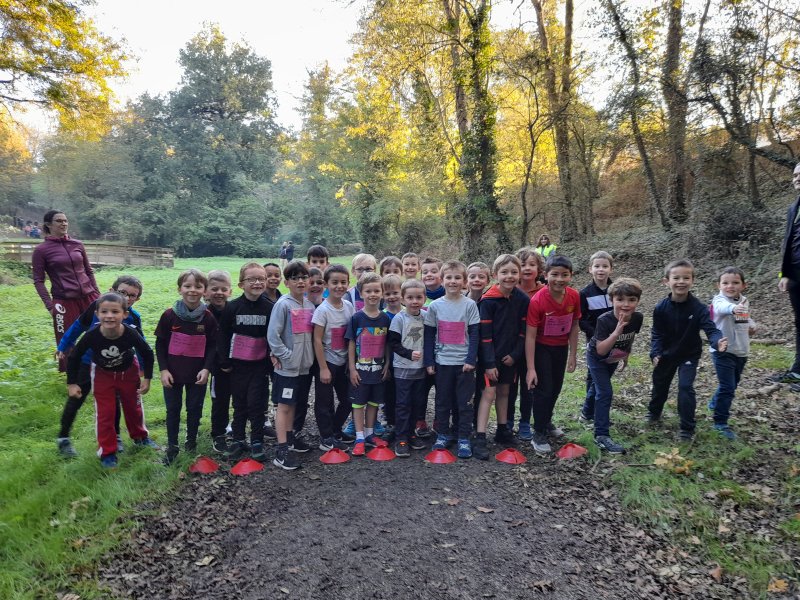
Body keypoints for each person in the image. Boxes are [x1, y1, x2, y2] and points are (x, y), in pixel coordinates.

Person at [66, 292, 158, 469]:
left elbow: (147, 352)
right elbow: (74, 356)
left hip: (128, 372)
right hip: (103, 375)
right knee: (105, 413)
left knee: (133, 407)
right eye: (104, 311)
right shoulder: (92, 335)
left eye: (115, 312)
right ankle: (107, 452)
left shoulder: (130, 332)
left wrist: (147, 378)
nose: (109, 316)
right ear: (97, 314)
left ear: (125, 314)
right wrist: (72, 383)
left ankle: (140, 437)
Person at [55, 276, 144, 458]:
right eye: (122, 292)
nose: (126, 298)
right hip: (87, 361)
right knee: (77, 397)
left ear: (137, 299)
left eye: (132, 295)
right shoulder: (97, 309)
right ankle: (63, 437)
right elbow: (77, 327)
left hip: (111, 366)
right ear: (111, 290)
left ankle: (115, 437)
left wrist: (142, 368)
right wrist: (63, 346)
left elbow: (141, 344)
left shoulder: (133, 317)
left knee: (113, 400)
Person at [646, 259, 727, 441]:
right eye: (676, 278)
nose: (681, 282)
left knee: (685, 387)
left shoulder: (699, 308)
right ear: (666, 281)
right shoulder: (660, 308)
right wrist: (655, 352)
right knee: (660, 384)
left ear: (692, 280)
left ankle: (687, 428)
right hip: (666, 355)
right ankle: (654, 412)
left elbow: (711, 330)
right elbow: (657, 333)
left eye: (686, 278)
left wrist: (717, 342)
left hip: (688, 354)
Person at [155, 269, 218, 465]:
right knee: (173, 409)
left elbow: (213, 346)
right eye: (187, 286)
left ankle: (191, 442)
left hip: (197, 374)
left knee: (194, 408)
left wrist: (206, 369)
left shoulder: (208, 318)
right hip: (172, 374)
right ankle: (172, 446)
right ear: (179, 289)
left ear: (205, 291)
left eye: (198, 286)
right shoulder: (169, 315)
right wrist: (163, 370)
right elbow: (160, 344)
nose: (192, 290)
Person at [525, 255, 581, 455]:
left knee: (556, 388)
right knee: (544, 390)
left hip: (561, 348)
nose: (559, 279)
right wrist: (531, 368)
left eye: (564, 275)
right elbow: (530, 335)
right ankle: (538, 432)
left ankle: (546, 421)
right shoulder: (538, 300)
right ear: (546, 275)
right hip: (541, 348)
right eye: (555, 274)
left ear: (571, 275)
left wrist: (573, 355)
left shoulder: (574, 296)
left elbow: (574, 325)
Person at [473, 255, 528, 461]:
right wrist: (489, 363)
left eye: (514, 272)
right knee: (489, 393)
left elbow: (523, 330)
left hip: (510, 358)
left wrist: (515, 355)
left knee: (505, 392)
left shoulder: (522, 299)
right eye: (504, 272)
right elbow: (484, 336)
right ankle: (480, 436)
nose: (509, 276)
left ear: (519, 274)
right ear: (496, 275)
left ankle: (502, 430)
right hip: (490, 359)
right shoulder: (488, 301)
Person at [217, 263, 273, 462]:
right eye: (252, 279)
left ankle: (257, 440)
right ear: (241, 284)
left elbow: (273, 337)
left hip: (259, 366)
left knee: (256, 404)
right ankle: (238, 439)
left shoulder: (269, 307)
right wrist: (224, 361)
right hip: (237, 366)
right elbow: (223, 335)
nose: (257, 282)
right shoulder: (232, 307)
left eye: (261, 279)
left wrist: (270, 364)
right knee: (239, 403)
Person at [424, 260, 480, 459]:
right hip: (442, 362)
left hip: (464, 364)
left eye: (457, 278)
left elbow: (474, 333)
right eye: (449, 277)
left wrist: (471, 359)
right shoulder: (435, 306)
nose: (453, 281)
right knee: (442, 400)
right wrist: (429, 361)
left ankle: (463, 436)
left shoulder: (470, 305)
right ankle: (442, 434)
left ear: (464, 281)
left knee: (464, 403)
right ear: (442, 280)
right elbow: (429, 335)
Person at [33, 210, 100, 371]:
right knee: (66, 339)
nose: (64, 223)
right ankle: (71, 375)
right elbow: (38, 280)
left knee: (100, 330)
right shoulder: (41, 250)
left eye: (65, 220)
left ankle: (100, 367)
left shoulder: (77, 244)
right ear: (48, 225)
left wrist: (98, 294)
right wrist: (50, 305)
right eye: (59, 221)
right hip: (63, 300)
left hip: (89, 296)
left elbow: (88, 271)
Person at [587, 278, 644, 454]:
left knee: (598, 387)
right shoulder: (604, 320)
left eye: (631, 300)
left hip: (614, 357)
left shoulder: (637, 318)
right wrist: (616, 332)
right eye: (620, 299)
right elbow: (601, 350)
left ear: (637, 301)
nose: (626, 304)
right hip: (596, 357)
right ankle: (601, 435)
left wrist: (625, 355)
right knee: (605, 392)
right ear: (611, 300)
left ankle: (586, 413)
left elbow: (630, 337)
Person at [268, 260, 316, 470]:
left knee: (294, 404)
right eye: (295, 278)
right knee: (284, 406)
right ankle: (281, 450)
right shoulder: (283, 305)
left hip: (304, 367)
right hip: (286, 368)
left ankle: (290, 439)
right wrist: (287, 356)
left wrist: (307, 359)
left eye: (304, 277)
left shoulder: (310, 305)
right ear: (286, 282)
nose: (300, 282)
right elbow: (273, 336)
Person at [346, 272, 391, 457]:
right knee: (358, 403)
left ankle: (370, 433)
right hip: (360, 371)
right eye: (368, 291)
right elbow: (350, 343)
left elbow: (387, 343)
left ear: (382, 293)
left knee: (373, 402)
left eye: (376, 291)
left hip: (378, 370)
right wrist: (352, 368)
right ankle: (359, 437)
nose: (373, 294)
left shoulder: (386, 319)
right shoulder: (356, 318)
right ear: (361, 293)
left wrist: (387, 364)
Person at [709, 267, 756, 440]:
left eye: (735, 282)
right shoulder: (718, 301)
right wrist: (733, 308)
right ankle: (720, 422)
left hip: (741, 350)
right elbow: (723, 309)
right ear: (719, 285)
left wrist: (751, 325)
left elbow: (742, 320)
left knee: (732, 384)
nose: (730, 286)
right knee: (728, 387)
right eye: (725, 283)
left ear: (743, 285)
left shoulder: (743, 301)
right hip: (723, 350)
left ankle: (715, 403)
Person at [312, 264, 355, 452]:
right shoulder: (323, 310)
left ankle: (336, 430)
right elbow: (317, 339)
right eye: (335, 282)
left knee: (348, 399)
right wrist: (323, 368)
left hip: (343, 362)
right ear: (326, 284)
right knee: (325, 402)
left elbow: (351, 335)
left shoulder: (349, 307)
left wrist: (351, 364)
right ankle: (326, 437)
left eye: (343, 282)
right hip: (327, 361)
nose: (339, 286)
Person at [508, 247, 545, 440]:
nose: (527, 268)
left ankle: (525, 421)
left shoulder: (544, 291)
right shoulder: (508, 289)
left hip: (535, 347)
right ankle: (507, 421)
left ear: (539, 269)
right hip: (512, 347)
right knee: (510, 386)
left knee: (529, 385)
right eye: (523, 265)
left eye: (532, 264)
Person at [388, 279, 428, 457]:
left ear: (424, 298)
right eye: (410, 297)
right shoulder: (399, 319)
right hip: (403, 369)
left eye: (418, 297)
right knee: (403, 404)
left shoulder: (426, 316)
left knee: (417, 403)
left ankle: (411, 433)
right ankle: (401, 438)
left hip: (421, 370)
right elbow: (393, 343)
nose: (414, 301)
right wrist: (408, 354)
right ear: (403, 299)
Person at [578, 251, 614, 424]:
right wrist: (596, 335)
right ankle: (590, 411)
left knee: (605, 374)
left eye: (605, 266)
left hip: (615, 340)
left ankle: (593, 408)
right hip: (594, 340)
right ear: (590, 269)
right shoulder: (585, 293)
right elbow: (582, 320)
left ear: (611, 269)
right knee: (593, 375)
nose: (601, 270)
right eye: (597, 266)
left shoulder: (616, 290)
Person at [204, 270, 234, 453]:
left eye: (224, 289)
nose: (219, 293)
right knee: (220, 399)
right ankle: (218, 433)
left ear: (230, 291)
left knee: (239, 398)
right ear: (206, 291)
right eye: (214, 289)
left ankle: (235, 429)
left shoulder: (234, 309)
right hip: (215, 365)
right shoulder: (204, 313)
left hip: (236, 362)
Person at [777, 162, 800, 384]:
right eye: (794, 175)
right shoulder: (793, 208)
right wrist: (784, 274)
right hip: (795, 277)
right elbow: (788, 241)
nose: (797, 178)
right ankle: (798, 370)